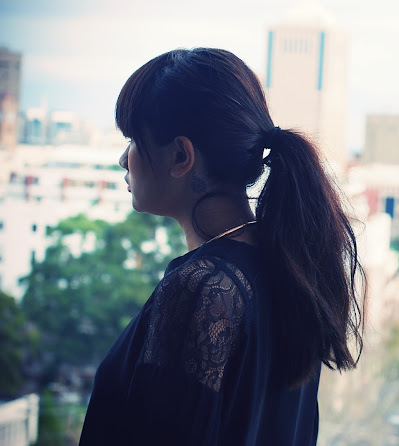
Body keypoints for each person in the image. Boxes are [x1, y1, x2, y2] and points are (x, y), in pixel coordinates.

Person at [79, 48, 365, 445]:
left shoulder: (205, 287)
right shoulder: (289, 264)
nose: (122, 160)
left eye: (132, 139)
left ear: (181, 155)